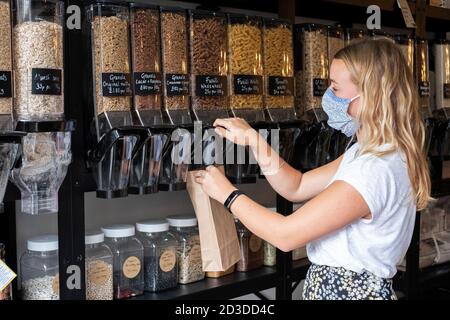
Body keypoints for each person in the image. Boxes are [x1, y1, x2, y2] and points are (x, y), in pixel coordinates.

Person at [194, 39, 431, 300]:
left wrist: (228, 194)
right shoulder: (370, 152)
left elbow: (286, 235)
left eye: (336, 88)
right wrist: (255, 141)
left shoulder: (375, 170)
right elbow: (297, 185)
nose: (327, 94)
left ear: (371, 95)